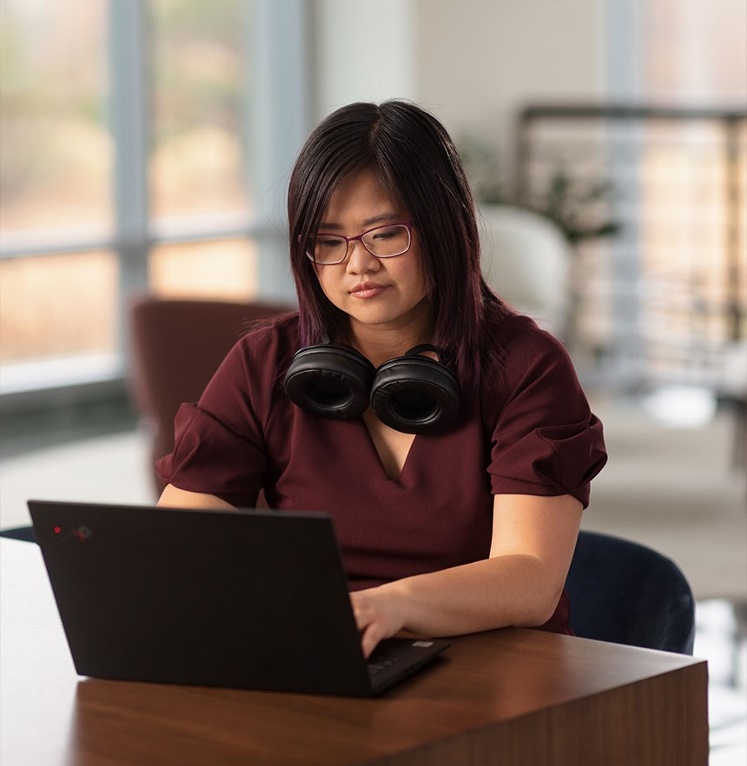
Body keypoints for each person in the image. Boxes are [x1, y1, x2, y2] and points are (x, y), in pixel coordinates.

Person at [157, 99, 607, 658]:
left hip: (496, 669)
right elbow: (176, 546)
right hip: (331, 656)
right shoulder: (264, 363)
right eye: (328, 241)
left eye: (386, 233)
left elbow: (530, 578)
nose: (357, 265)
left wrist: (386, 608)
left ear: (444, 228)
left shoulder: (527, 367)